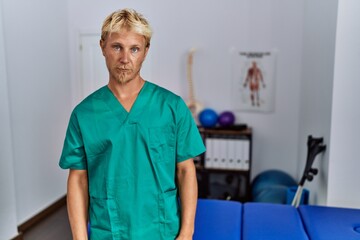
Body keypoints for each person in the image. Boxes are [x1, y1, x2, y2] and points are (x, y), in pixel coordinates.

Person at [59, 8, 205, 240]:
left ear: (146, 51)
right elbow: (78, 178)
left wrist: (187, 232)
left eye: (134, 49)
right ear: (102, 47)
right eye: (117, 46)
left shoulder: (172, 107)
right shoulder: (84, 114)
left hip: (162, 229)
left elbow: (186, 170)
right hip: (110, 230)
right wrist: (79, 237)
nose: (125, 59)